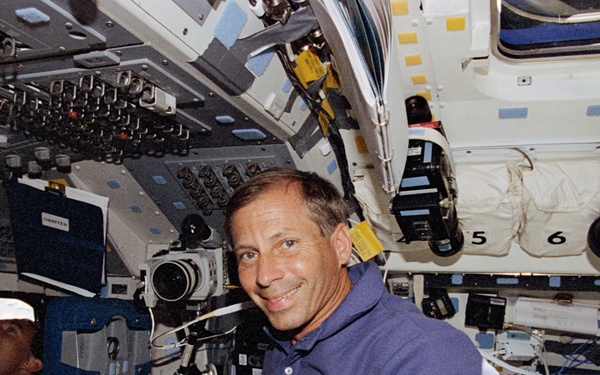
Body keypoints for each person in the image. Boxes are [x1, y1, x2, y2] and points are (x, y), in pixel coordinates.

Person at [224, 168, 499, 374]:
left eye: (287, 244)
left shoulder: (424, 353)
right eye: (248, 254)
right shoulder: (285, 339)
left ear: (341, 245)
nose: (264, 275)